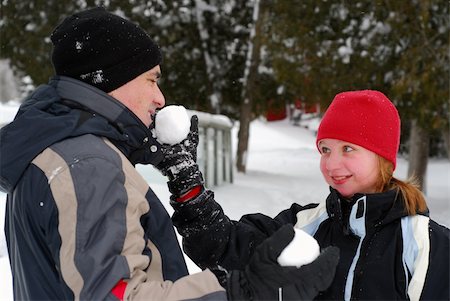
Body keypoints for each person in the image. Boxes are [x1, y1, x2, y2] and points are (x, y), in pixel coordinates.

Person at [0, 7, 340, 301]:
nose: (160, 98)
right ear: (111, 80)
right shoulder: (89, 164)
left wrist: (180, 178)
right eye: (152, 80)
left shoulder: (56, 150)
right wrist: (242, 292)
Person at [158, 90, 450, 300]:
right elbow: (224, 246)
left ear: (383, 157)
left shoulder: (425, 244)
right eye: (325, 149)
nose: (332, 164)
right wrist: (190, 189)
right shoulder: (304, 225)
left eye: (348, 149)